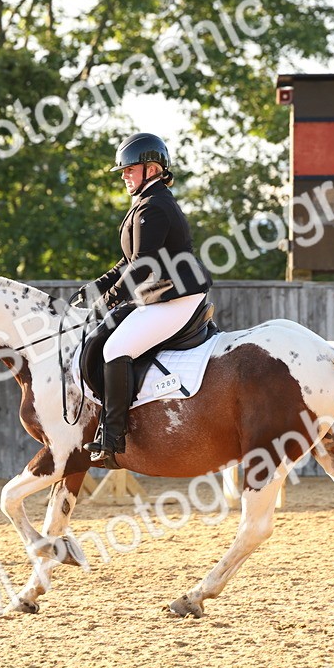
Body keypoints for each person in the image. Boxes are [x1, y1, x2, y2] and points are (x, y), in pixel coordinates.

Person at [71, 132, 213, 463]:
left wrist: (106, 301)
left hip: (178, 297)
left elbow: (141, 265)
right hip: (162, 295)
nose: (124, 176)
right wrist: (94, 290)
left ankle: (113, 436)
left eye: (129, 169)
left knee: (116, 348)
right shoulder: (146, 203)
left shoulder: (156, 207)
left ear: (151, 169)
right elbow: (126, 262)